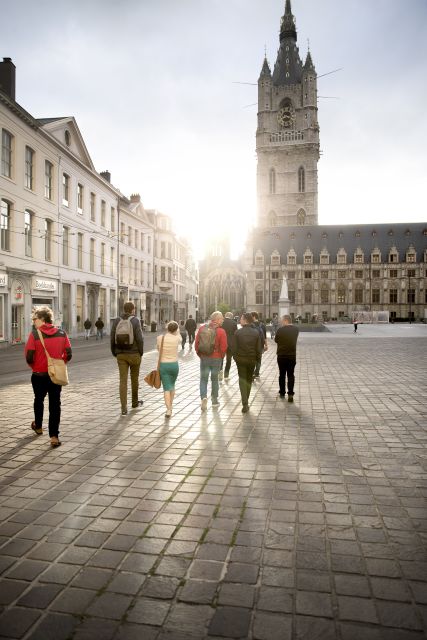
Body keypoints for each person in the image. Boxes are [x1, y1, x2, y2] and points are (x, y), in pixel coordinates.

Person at [25, 306, 72, 447]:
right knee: (55, 405)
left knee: (38, 400)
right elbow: (68, 354)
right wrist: (59, 363)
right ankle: (54, 437)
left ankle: (38, 426)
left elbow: (29, 357)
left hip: (39, 375)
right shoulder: (62, 333)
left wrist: (36, 367)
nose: (34, 322)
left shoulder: (34, 335)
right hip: (55, 375)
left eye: (35, 319)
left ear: (43, 319)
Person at [110, 301, 144, 415]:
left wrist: (114, 352)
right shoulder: (135, 320)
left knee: (122, 380)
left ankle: (123, 408)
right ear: (133, 310)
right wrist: (141, 352)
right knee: (134, 379)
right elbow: (139, 338)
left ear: (124, 309)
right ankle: (134, 402)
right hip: (134, 354)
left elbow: (112, 337)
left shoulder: (116, 320)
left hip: (121, 354)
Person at [195, 310, 227, 410]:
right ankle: (214, 400)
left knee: (203, 379)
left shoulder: (202, 329)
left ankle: (203, 397)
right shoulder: (221, 331)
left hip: (204, 358)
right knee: (214, 379)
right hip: (216, 358)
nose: (223, 320)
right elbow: (224, 347)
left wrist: (201, 355)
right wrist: (221, 357)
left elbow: (197, 344)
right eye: (222, 318)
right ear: (217, 319)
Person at [233, 312, 263, 413]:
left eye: (241, 319)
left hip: (240, 360)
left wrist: (236, 358)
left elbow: (234, 348)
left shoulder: (238, 332)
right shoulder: (256, 332)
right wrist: (257, 359)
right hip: (251, 360)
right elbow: (259, 349)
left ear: (245, 320)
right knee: (249, 380)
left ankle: (244, 403)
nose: (240, 320)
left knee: (242, 380)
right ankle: (246, 402)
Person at [157, 321, 181, 417]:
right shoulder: (177, 339)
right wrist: (177, 331)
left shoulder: (160, 338)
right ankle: (170, 406)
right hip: (174, 365)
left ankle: (168, 409)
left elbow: (158, 349)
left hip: (164, 365)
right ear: (176, 330)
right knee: (172, 385)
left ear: (167, 328)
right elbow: (180, 338)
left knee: (166, 387)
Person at [275, 314, 299, 402]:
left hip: (281, 355)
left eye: (282, 320)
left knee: (282, 374)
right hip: (292, 355)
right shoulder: (296, 329)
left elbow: (276, 340)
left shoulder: (280, 330)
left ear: (286, 320)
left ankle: (282, 392)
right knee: (291, 374)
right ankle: (290, 394)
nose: (281, 322)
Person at [220, 311, 238, 381]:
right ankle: (226, 375)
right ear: (231, 316)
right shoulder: (234, 323)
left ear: (225, 316)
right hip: (230, 344)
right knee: (228, 360)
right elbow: (236, 334)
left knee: (221, 358)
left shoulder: (222, 322)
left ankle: (220, 373)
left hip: (222, 343)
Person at [251, 312, 268, 379]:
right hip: (260, 344)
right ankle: (257, 373)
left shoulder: (251, 325)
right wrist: (266, 345)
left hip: (252, 345)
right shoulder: (262, 325)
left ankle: (252, 373)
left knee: (252, 359)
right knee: (259, 359)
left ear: (254, 317)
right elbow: (265, 336)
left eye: (251, 316)